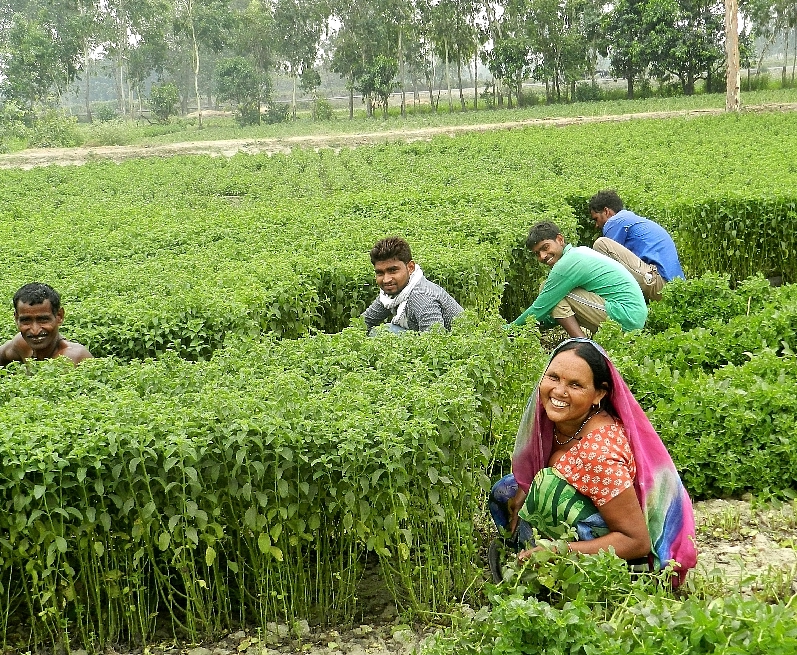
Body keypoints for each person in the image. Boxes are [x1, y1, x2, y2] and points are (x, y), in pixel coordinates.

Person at [488, 338, 697, 586]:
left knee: (546, 487)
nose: (559, 392)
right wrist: (525, 488)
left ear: (598, 394)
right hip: (596, 512)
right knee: (509, 489)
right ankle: (527, 552)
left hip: (632, 560)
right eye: (553, 377)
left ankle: (555, 575)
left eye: (575, 385)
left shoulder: (599, 453)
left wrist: (557, 551)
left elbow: (636, 540)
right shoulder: (555, 423)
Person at [510, 222, 647, 338]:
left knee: (551, 293)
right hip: (632, 315)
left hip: (627, 317)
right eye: (537, 253)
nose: (543, 256)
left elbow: (540, 308)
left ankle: (582, 344)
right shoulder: (579, 251)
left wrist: (507, 330)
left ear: (560, 239)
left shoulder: (567, 264)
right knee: (554, 295)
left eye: (545, 248)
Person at [589, 190, 685, 302]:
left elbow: (607, 266)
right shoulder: (631, 219)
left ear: (606, 211)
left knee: (601, 245)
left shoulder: (615, 221)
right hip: (675, 287)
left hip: (659, 282)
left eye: (596, 219)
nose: (596, 225)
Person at [362, 237, 464, 334]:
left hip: (459, 343)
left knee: (386, 332)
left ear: (410, 267)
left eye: (393, 270)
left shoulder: (421, 297)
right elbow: (364, 323)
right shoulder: (390, 294)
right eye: (380, 273)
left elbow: (435, 340)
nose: (386, 279)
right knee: (382, 332)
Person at [0, 283, 93, 366]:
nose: (35, 331)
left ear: (59, 316)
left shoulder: (73, 357)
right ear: (16, 319)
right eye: (26, 320)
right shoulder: (22, 344)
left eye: (43, 320)